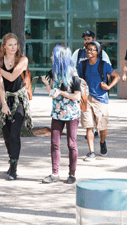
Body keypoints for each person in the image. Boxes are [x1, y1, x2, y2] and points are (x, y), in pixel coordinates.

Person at [0, 33, 32, 180]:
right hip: (5, 99)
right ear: (4, 46)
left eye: (15, 44)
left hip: (19, 99)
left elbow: (12, 77)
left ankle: (14, 167)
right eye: (10, 45)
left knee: (15, 133)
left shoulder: (22, 59)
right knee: (7, 135)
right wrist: (2, 104)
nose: (13, 47)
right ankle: (11, 160)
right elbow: (1, 85)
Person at [41, 45, 81, 184]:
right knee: (54, 143)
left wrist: (62, 93)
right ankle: (55, 173)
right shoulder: (53, 72)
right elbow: (52, 94)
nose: (51, 57)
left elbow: (77, 97)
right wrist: (47, 85)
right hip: (57, 113)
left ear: (60, 57)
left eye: (54, 55)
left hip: (71, 114)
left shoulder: (73, 74)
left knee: (71, 144)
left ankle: (72, 174)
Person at [78, 41, 120, 161]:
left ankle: (102, 142)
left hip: (101, 99)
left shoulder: (104, 65)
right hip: (86, 98)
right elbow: (78, 79)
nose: (89, 51)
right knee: (89, 126)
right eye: (87, 49)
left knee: (102, 126)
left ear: (97, 52)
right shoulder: (82, 65)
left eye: (92, 49)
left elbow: (116, 76)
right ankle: (91, 152)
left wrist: (108, 87)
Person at [72, 30, 111, 138]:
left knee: (99, 116)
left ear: (94, 40)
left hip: (99, 91)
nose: (86, 41)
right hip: (85, 90)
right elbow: (72, 68)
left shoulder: (102, 53)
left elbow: (108, 71)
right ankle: (91, 131)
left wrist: (105, 86)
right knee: (88, 114)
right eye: (85, 39)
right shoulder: (78, 53)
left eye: (88, 39)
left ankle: (100, 135)